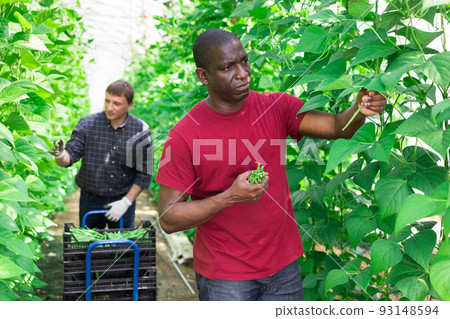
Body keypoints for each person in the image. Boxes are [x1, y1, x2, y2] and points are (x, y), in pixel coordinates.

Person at [155, 29, 386, 301]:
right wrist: (230, 197)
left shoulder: (276, 106)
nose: (242, 73)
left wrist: (361, 109)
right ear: (203, 76)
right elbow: (168, 218)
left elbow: (337, 126)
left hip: (283, 267)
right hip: (225, 276)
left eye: (244, 61)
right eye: (228, 67)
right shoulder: (185, 135)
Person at [51, 80, 152, 229]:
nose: (110, 107)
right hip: (90, 199)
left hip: (123, 198)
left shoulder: (140, 130)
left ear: (130, 105)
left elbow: (144, 172)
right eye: (107, 101)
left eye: (117, 103)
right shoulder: (87, 124)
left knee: (120, 248)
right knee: (90, 245)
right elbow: (70, 157)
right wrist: (60, 155)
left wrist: (126, 202)